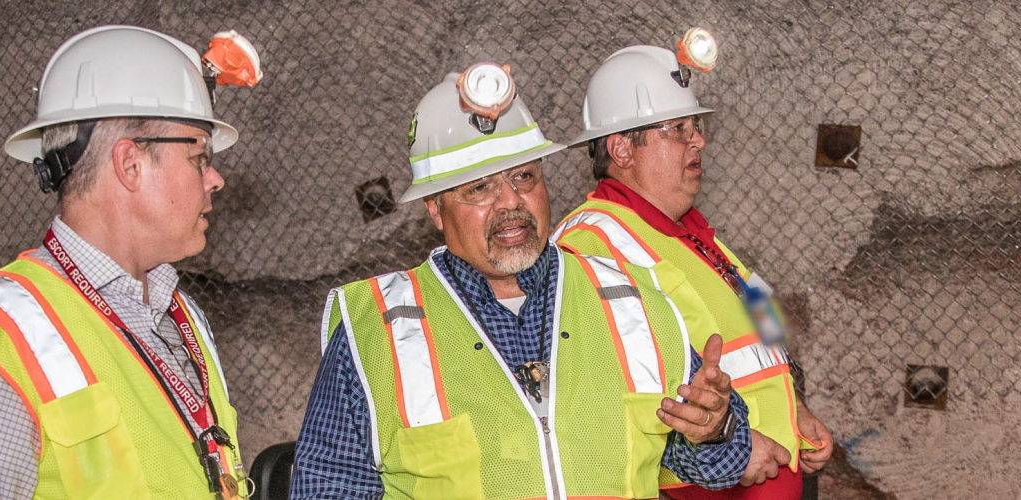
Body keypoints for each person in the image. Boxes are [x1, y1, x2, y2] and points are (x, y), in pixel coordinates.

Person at [290, 67, 752, 499]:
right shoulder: (378, 329)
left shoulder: (630, 303)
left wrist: (716, 428)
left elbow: (721, 466)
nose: (511, 202)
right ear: (434, 208)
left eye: (524, 176)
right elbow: (327, 484)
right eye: (479, 187)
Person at [0, 25, 257, 499]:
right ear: (130, 164)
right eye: (199, 157)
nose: (215, 179)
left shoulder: (182, 317)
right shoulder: (3, 338)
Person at [554, 44, 835, 499]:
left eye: (695, 126)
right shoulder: (589, 244)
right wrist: (732, 446)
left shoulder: (694, 232)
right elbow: (600, 402)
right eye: (677, 128)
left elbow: (766, 327)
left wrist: (795, 407)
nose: (698, 140)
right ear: (622, 148)